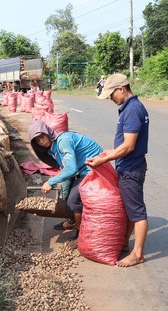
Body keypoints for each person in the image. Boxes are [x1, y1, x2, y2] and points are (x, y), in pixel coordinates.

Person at [86, 73, 149, 267]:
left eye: (111, 95)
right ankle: (124, 243)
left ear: (121, 89)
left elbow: (129, 146)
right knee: (129, 208)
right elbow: (126, 144)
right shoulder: (131, 107)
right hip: (129, 165)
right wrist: (107, 153)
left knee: (137, 212)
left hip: (131, 168)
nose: (111, 99)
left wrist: (104, 160)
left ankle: (137, 254)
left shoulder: (132, 110)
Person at [29, 119, 103, 236]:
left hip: (93, 168)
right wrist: (64, 188)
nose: (41, 142)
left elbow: (71, 169)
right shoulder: (52, 149)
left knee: (74, 199)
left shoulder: (63, 141)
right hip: (80, 169)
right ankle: (71, 221)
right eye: (37, 141)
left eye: (42, 137)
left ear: (47, 133)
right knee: (64, 194)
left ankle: (80, 234)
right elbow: (66, 168)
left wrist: (50, 182)